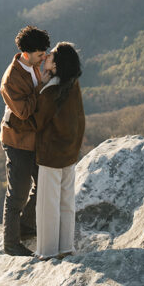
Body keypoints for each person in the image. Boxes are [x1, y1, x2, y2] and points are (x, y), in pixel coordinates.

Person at [0, 25, 51, 256]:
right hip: (18, 141)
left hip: (35, 138)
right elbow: (24, 112)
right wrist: (43, 85)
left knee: (44, 184)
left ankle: (27, 227)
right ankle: (10, 244)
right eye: (41, 54)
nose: (45, 57)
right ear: (27, 53)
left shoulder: (34, 65)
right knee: (17, 193)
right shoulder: (11, 79)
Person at [32, 42, 85, 260]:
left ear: (57, 65)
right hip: (70, 151)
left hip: (51, 153)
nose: (46, 57)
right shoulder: (72, 85)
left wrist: (38, 89)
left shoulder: (51, 89)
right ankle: (66, 247)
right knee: (66, 202)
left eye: (51, 55)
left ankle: (47, 251)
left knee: (47, 204)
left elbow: (37, 121)